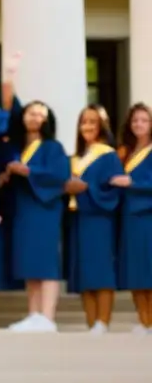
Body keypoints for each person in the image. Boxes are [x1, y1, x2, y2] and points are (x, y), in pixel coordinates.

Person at [4, 101, 70, 332]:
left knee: (46, 263)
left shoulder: (53, 147)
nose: (34, 118)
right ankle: (34, 314)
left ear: (47, 120)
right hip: (24, 210)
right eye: (31, 113)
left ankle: (48, 316)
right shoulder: (18, 148)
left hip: (45, 210)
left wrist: (30, 171)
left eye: (40, 114)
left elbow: (61, 175)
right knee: (29, 263)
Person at [64, 104, 122, 334]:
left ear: (101, 126)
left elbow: (113, 191)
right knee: (84, 271)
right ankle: (91, 322)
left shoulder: (108, 155)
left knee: (101, 270)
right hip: (78, 218)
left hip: (99, 219)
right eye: (83, 122)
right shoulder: (77, 157)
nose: (87, 126)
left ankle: (103, 321)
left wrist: (87, 188)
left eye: (92, 122)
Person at [114, 102, 152, 333]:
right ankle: (144, 321)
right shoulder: (125, 152)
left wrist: (133, 183)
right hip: (128, 217)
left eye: (144, 120)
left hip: (148, 216)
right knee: (135, 272)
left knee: (150, 270)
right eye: (135, 120)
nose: (139, 124)